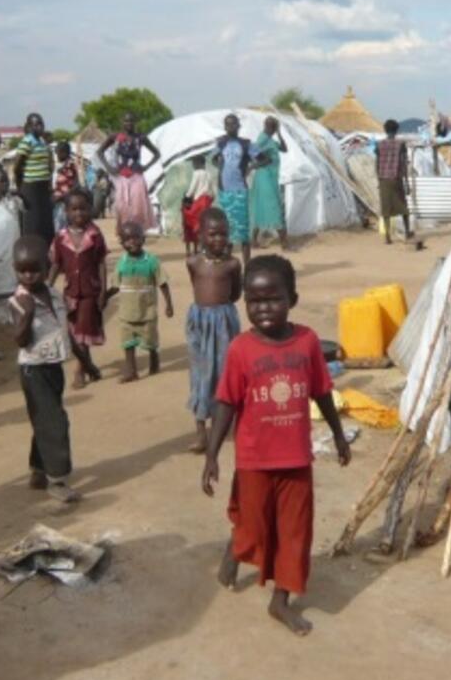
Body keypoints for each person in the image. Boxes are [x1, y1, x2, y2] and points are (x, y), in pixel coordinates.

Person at [201, 255, 350, 636]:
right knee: (253, 528)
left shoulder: (308, 342)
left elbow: (322, 392)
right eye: (254, 301)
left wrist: (337, 434)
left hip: (296, 458)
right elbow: (226, 403)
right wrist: (213, 455)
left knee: (296, 533)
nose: (263, 309)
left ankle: (280, 601)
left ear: (293, 299)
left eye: (273, 299)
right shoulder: (240, 350)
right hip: (254, 459)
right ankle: (237, 548)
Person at [9, 236, 79, 502]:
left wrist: (86, 362)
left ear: (47, 265)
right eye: (21, 270)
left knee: (44, 419)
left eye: (34, 269)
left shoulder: (53, 294)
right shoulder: (18, 301)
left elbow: (65, 330)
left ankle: (39, 469)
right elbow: (20, 341)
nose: (28, 275)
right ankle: (57, 480)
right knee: (55, 422)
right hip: (33, 370)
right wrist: (26, 315)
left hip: (53, 368)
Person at [185, 208, 242, 453]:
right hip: (200, 323)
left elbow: (236, 293)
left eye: (223, 234)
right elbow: (195, 286)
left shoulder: (232, 264)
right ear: (201, 236)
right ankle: (201, 432)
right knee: (200, 376)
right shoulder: (193, 262)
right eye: (212, 234)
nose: (218, 240)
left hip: (224, 323)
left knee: (226, 372)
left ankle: (230, 425)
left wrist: (221, 313)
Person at [48, 188, 108, 388]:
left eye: (83, 209)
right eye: (73, 209)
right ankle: (90, 366)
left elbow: (101, 263)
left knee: (82, 330)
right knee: (75, 332)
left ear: (90, 209)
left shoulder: (95, 235)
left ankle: (79, 371)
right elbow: (56, 264)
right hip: (70, 292)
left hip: (90, 291)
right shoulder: (60, 237)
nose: (79, 213)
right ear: (66, 211)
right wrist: (47, 287)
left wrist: (103, 291)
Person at [106, 221, 174, 383]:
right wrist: (104, 297)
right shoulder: (121, 263)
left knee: (150, 341)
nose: (132, 242)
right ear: (121, 243)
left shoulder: (151, 261)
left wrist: (169, 305)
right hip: (126, 314)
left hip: (147, 312)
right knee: (127, 344)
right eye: (127, 239)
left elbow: (162, 283)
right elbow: (115, 286)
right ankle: (132, 371)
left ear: (143, 239)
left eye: (136, 238)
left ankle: (154, 358)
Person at [97, 113, 160, 232]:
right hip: (121, 176)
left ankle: (138, 231)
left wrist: (146, 166)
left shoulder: (140, 138)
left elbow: (157, 154)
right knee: (122, 206)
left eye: (131, 121)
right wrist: (109, 168)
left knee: (137, 206)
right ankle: (124, 231)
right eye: (126, 121)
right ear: (122, 122)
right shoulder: (115, 137)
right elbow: (100, 152)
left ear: (135, 122)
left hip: (137, 175)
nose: (129, 124)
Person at [212, 113, 254, 264]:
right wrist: (221, 169)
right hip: (224, 191)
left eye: (234, 124)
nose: (231, 127)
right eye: (228, 124)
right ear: (224, 126)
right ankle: (228, 266)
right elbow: (213, 159)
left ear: (238, 126)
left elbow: (264, 158)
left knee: (242, 232)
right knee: (226, 230)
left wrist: (250, 167)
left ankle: (248, 268)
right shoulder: (220, 143)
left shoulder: (246, 144)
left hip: (240, 191)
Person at [14, 112, 56, 243]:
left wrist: (49, 185)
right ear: (29, 126)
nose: (39, 127)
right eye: (36, 124)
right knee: (33, 221)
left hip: (43, 186)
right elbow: (17, 167)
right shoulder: (27, 141)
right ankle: (32, 249)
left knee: (46, 220)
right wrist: (20, 187)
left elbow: (48, 166)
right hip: (30, 187)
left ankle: (47, 250)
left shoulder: (43, 142)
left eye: (41, 124)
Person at [250, 116, 289, 251]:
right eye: (269, 125)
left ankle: (254, 241)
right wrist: (258, 164)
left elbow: (284, 149)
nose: (268, 128)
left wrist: (279, 134)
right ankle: (284, 244)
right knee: (274, 207)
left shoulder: (270, 140)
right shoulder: (263, 139)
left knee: (260, 206)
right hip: (264, 177)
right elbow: (253, 152)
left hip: (270, 177)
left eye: (271, 126)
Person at [376, 119, 412, 244]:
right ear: (396, 130)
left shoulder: (379, 145)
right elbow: (403, 164)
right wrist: (406, 182)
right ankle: (407, 232)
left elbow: (377, 163)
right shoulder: (400, 145)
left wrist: (378, 179)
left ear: (385, 130)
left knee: (386, 208)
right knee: (403, 207)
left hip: (383, 179)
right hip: (396, 179)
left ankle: (387, 236)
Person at [181, 155, 215, 256]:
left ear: (197, 163)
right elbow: (212, 192)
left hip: (199, 201)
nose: (193, 166)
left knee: (192, 221)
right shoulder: (208, 174)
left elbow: (193, 187)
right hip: (207, 200)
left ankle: (194, 245)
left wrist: (186, 197)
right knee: (205, 224)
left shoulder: (197, 173)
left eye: (194, 164)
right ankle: (203, 247)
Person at [52, 141, 81, 233]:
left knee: (64, 226)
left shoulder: (71, 165)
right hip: (56, 200)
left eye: (59, 153)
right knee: (58, 226)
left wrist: (64, 196)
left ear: (65, 153)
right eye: (56, 152)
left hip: (66, 200)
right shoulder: (56, 166)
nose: (57, 155)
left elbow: (76, 184)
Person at [0, 167, 25, 234]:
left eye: (7, 180)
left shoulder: (13, 197)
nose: (6, 183)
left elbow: (26, 209)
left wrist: (21, 195)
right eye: (2, 181)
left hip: (14, 236)